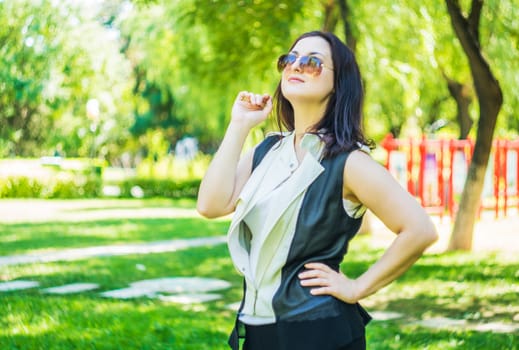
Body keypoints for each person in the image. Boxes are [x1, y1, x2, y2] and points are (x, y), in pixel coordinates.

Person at [197, 31, 438, 350]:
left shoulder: (349, 163)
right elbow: (210, 205)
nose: (296, 66)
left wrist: (356, 288)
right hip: (260, 329)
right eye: (290, 59)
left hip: (319, 331)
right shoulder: (267, 151)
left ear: (339, 83)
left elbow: (420, 229)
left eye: (312, 62)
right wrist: (239, 125)